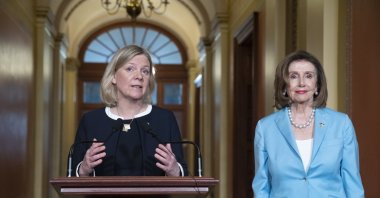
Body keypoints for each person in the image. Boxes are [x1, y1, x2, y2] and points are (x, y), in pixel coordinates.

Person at [252, 50, 364, 197]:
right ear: (284, 85)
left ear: (317, 85)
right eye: (293, 76)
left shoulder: (341, 124)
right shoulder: (265, 128)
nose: (301, 83)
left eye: (308, 76)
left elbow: (353, 184)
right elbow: (261, 187)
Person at [71, 45, 188, 177]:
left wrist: (174, 170)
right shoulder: (91, 121)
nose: (139, 76)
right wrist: (84, 169)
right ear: (114, 77)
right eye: (130, 69)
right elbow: (72, 174)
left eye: (145, 71)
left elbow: (182, 172)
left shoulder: (164, 119)